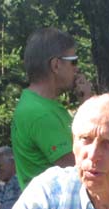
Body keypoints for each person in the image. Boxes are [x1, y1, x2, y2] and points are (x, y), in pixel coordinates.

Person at [11, 28, 79, 189]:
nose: (77, 68)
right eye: (73, 61)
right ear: (56, 65)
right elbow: (82, 168)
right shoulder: (40, 113)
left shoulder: (36, 103)